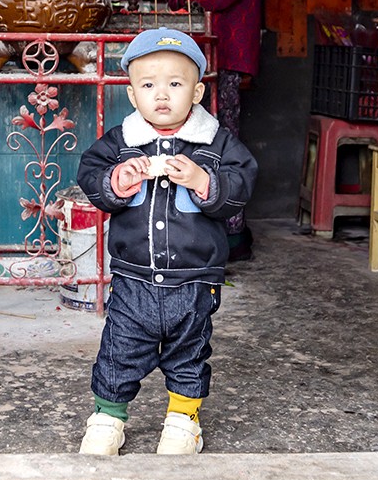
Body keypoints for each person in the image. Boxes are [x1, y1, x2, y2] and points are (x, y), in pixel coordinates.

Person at [75, 28, 258, 455]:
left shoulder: (216, 144)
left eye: (175, 84)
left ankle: (182, 421)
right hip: (133, 277)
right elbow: (90, 173)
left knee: (189, 353)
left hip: (194, 280)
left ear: (196, 92)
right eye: (149, 85)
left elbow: (242, 182)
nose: (162, 95)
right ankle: (107, 417)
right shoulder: (120, 144)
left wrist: (202, 180)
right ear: (132, 94)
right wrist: (116, 181)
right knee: (119, 349)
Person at [165, 0, 263, 262]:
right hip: (213, 46)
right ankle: (214, 229)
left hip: (224, 46)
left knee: (220, 140)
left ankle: (230, 234)